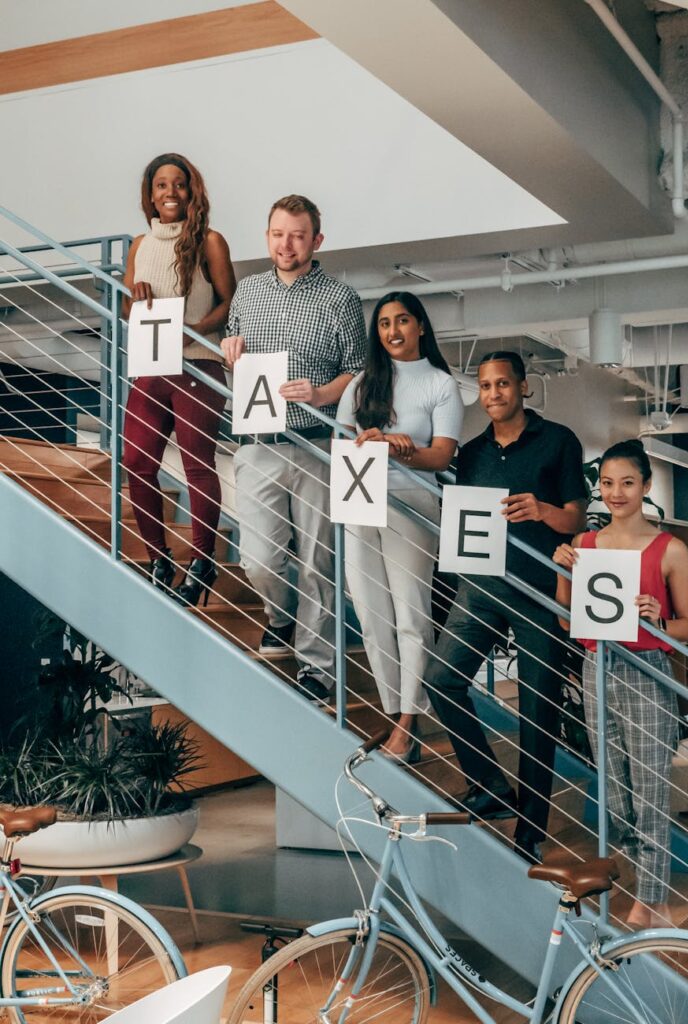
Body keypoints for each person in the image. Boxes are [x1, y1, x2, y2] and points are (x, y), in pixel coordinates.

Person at [424, 351, 587, 864]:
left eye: (503, 384)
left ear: (523, 388)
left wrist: (542, 510)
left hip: (540, 591)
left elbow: (577, 519)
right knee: (440, 679)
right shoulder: (470, 454)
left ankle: (532, 830)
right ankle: (490, 784)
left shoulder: (558, 441)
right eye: (487, 386)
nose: (494, 394)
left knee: (537, 715)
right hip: (480, 587)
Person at [221, 195, 366, 703]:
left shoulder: (340, 298)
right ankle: (280, 617)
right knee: (257, 560)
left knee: (316, 562)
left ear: (316, 241)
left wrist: (324, 393)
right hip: (256, 443)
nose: (287, 244)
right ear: (267, 237)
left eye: (298, 235)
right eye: (279, 234)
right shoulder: (247, 292)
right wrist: (229, 353)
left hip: (316, 446)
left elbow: (357, 370)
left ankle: (317, 669)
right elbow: (236, 368)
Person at [553, 439, 688, 929]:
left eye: (628, 483)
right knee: (615, 792)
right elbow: (570, 615)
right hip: (598, 668)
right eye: (608, 483)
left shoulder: (670, 549)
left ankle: (651, 898)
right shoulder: (587, 545)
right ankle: (643, 878)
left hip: (647, 671)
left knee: (650, 789)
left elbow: (686, 630)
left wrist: (659, 620)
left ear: (646, 487)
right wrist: (564, 569)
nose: (616, 493)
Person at [338, 292, 463, 761]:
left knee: (411, 614)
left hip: (412, 500)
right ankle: (393, 713)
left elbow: (443, 455)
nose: (393, 330)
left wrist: (396, 447)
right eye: (385, 323)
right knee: (371, 614)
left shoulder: (439, 384)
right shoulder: (361, 385)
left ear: (421, 327)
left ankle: (408, 723)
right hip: (359, 496)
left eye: (403, 321)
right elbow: (339, 443)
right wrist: (363, 443)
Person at [122, 153, 236, 607]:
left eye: (179, 184)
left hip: (195, 367)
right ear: (150, 193)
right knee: (135, 460)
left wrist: (196, 331)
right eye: (162, 185)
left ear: (192, 191)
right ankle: (159, 558)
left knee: (195, 463)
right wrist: (136, 300)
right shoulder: (138, 244)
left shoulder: (209, 240)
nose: (170, 193)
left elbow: (230, 302)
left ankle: (203, 559)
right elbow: (130, 310)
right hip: (152, 367)